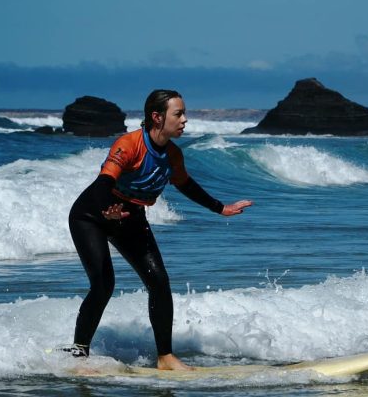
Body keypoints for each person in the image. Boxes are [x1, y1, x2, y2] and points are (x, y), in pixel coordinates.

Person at [67, 89, 253, 370]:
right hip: (91, 215)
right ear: (157, 117)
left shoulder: (173, 155)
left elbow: (186, 185)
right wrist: (108, 209)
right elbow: (105, 181)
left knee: (160, 282)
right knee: (104, 284)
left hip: (129, 217)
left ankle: (165, 357)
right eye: (178, 114)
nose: (184, 120)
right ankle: (79, 351)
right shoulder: (129, 145)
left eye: (184, 113)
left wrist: (220, 208)